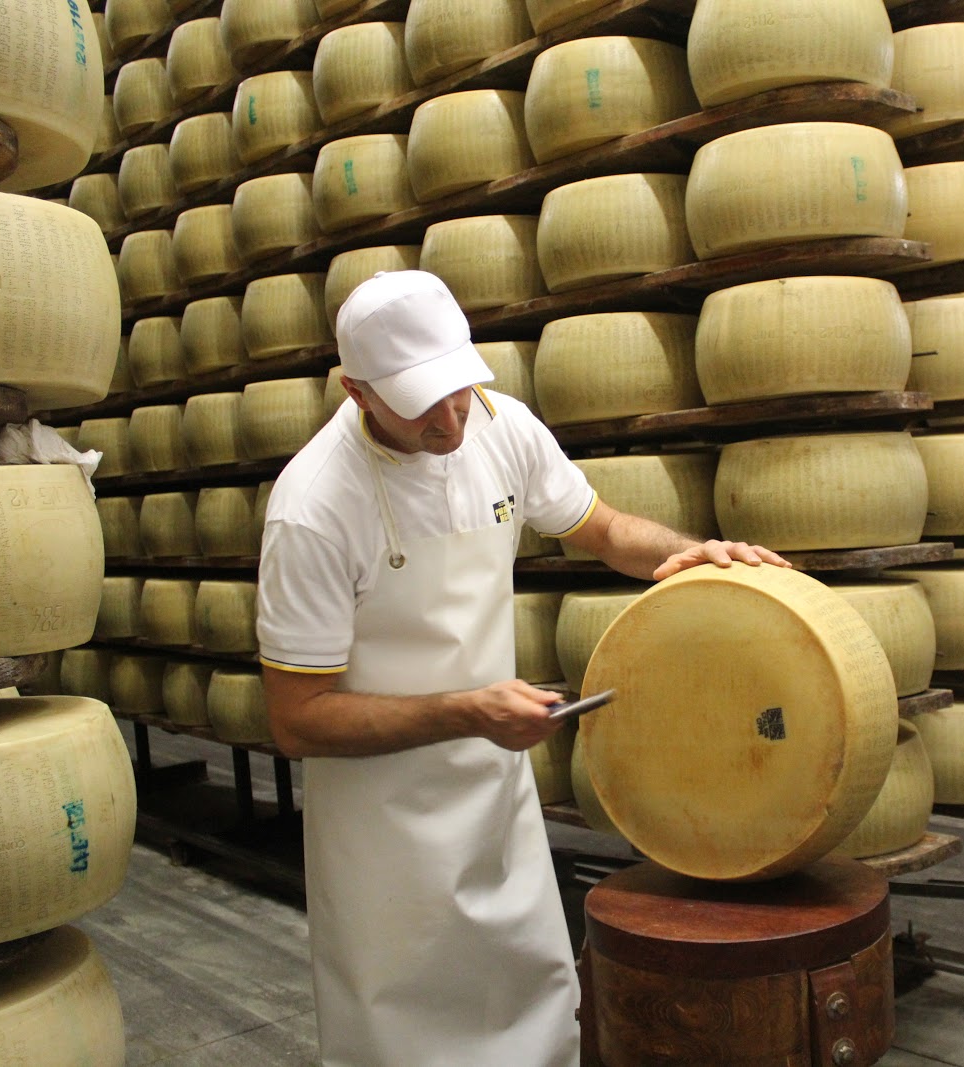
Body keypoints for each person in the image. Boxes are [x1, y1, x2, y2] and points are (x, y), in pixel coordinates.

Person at [254, 270, 788, 1066]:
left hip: (494, 790)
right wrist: (467, 710)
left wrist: (689, 553)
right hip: (382, 823)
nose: (449, 419)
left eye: (458, 388)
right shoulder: (313, 507)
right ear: (356, 390)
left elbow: (602, 528)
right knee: (401, 1029)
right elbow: (297, 720)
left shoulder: (501, 426)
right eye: (418, 401)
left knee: (533, 1003)